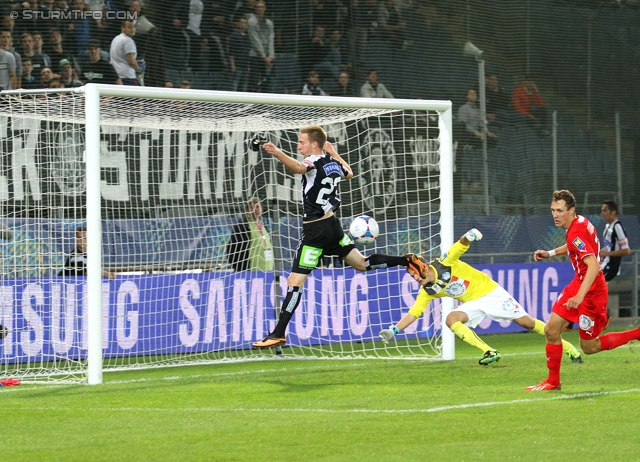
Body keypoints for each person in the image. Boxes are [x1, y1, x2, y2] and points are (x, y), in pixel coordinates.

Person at [251, 125, 429, 348]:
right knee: (362, 264)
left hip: (315, 233)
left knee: (294, 282)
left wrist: (277, 152)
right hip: (333, 227)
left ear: (315, 144)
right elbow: (350, 173)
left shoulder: (312, 162)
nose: (298, 146)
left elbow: (298, 168)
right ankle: (407, 260)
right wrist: (333, 152)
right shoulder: (332, 162)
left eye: (302, 142)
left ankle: (278, 332)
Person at [379, 228, 583, 365]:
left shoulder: (444, 262)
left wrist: (470, 235)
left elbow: (460, 245)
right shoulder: (427, 291)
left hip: (491, 293)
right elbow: (414, 313)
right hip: (473, 303)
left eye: (414, 273)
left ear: (422, 266)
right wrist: (394, 330)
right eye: (411, 276)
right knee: (451, 319)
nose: (414, 278)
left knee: (527, 323)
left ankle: (569, 347)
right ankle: (490, 351)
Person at [527, 189, 640, 391]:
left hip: (592, 291)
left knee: (590, 347)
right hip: (578, 284)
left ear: (571, 210)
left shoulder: (576, 232)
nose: (555, 215)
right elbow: (574, 246)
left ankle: (636, 333)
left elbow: (594, 265)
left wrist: (580, 296)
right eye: (553, 210)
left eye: (560, 210)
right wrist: (550, 252)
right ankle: (553, 381)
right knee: (551, 330)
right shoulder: (579, 222)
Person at [227, 197, 274, 272]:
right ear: (247, 210)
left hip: (268, 268)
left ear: (262, 209)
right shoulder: (242, 226)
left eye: (257, 207)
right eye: (252, 207)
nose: (255, 209)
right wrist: (240, 268)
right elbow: (232, 249)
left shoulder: (264, 225)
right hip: (250, 271)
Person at [247, 1, 275, 93]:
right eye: (258, 7)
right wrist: (263, 57)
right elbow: (255, 40)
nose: (260, 9)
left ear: (265, 8)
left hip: (268, 57)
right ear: (255, 9)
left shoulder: (269, 23)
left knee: (267, 82)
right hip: (255, 56)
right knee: (254, 82)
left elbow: (271, 38)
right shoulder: (251, 22)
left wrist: (271, 55)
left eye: (262, 7)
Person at [600, 200, 631, 282]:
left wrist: (606, 253)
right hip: (604, 264)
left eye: (605, 210)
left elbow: (626, 251)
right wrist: (598, 252)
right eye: (602, 210)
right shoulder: (607, 226)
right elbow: (608, 247)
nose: (602, 213)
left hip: (611, 267)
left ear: (613, 212)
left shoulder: (618, 227)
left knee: (592, 286)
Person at [110, 20, 142, 86]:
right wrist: (138, 69)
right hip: (128, 76)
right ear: (123, 28)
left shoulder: (116, 38)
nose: (133, 29)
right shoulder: (128, 41)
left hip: (116, 76)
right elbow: (131, 61)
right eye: (130, 27)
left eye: (134, 27)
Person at [229, 16, 252, 92]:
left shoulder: (247, 37)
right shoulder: (234, 35)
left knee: (243, 88)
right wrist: (233, 65)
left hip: (245, 66)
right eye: (241, 22)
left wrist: (248, 65)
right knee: (234, 87)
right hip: (237, 66)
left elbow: (248, 52)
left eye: (245, 23)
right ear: (238, 24)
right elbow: (231, 52)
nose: (243, 24)